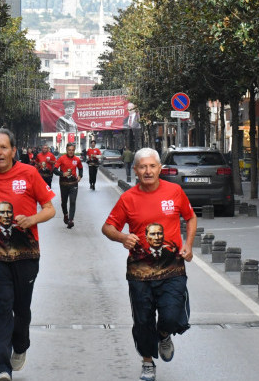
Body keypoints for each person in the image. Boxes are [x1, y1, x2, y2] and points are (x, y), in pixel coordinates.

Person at [101, 147, 196, 381]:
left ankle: (164, 334)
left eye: (152, 166)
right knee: (143, 320)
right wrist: (123, 237)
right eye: (142, 167)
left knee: (171, 317)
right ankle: (147, 362)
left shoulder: (174, 191)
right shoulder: (128, 198)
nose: (148, 171)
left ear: (159, 169)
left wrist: (189, 245)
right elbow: (108, 227)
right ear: (135, 170)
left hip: (172, 269)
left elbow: (190, 217)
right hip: (140, 272)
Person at [0, 128, 55, 381]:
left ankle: (21, 345)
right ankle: (2, 367)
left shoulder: (29, 173)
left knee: (21, 309)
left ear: (13, 150)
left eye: (3, 147)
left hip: (26, 255)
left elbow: (50, 209)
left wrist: (31, 220)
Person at [53, 142, 83, 229]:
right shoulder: (61, 158)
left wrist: (80, 176)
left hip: (73, 183)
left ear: (74, 150)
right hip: (64, 183)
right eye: (69, 150)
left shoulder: (77, 159)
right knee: (64, 202)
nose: (71, 152)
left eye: (72, 150)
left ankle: (71, 220)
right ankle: (65, 214)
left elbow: (80, 168)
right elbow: (54, 170)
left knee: (73, 202)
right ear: (66, 150)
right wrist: (62, 174)